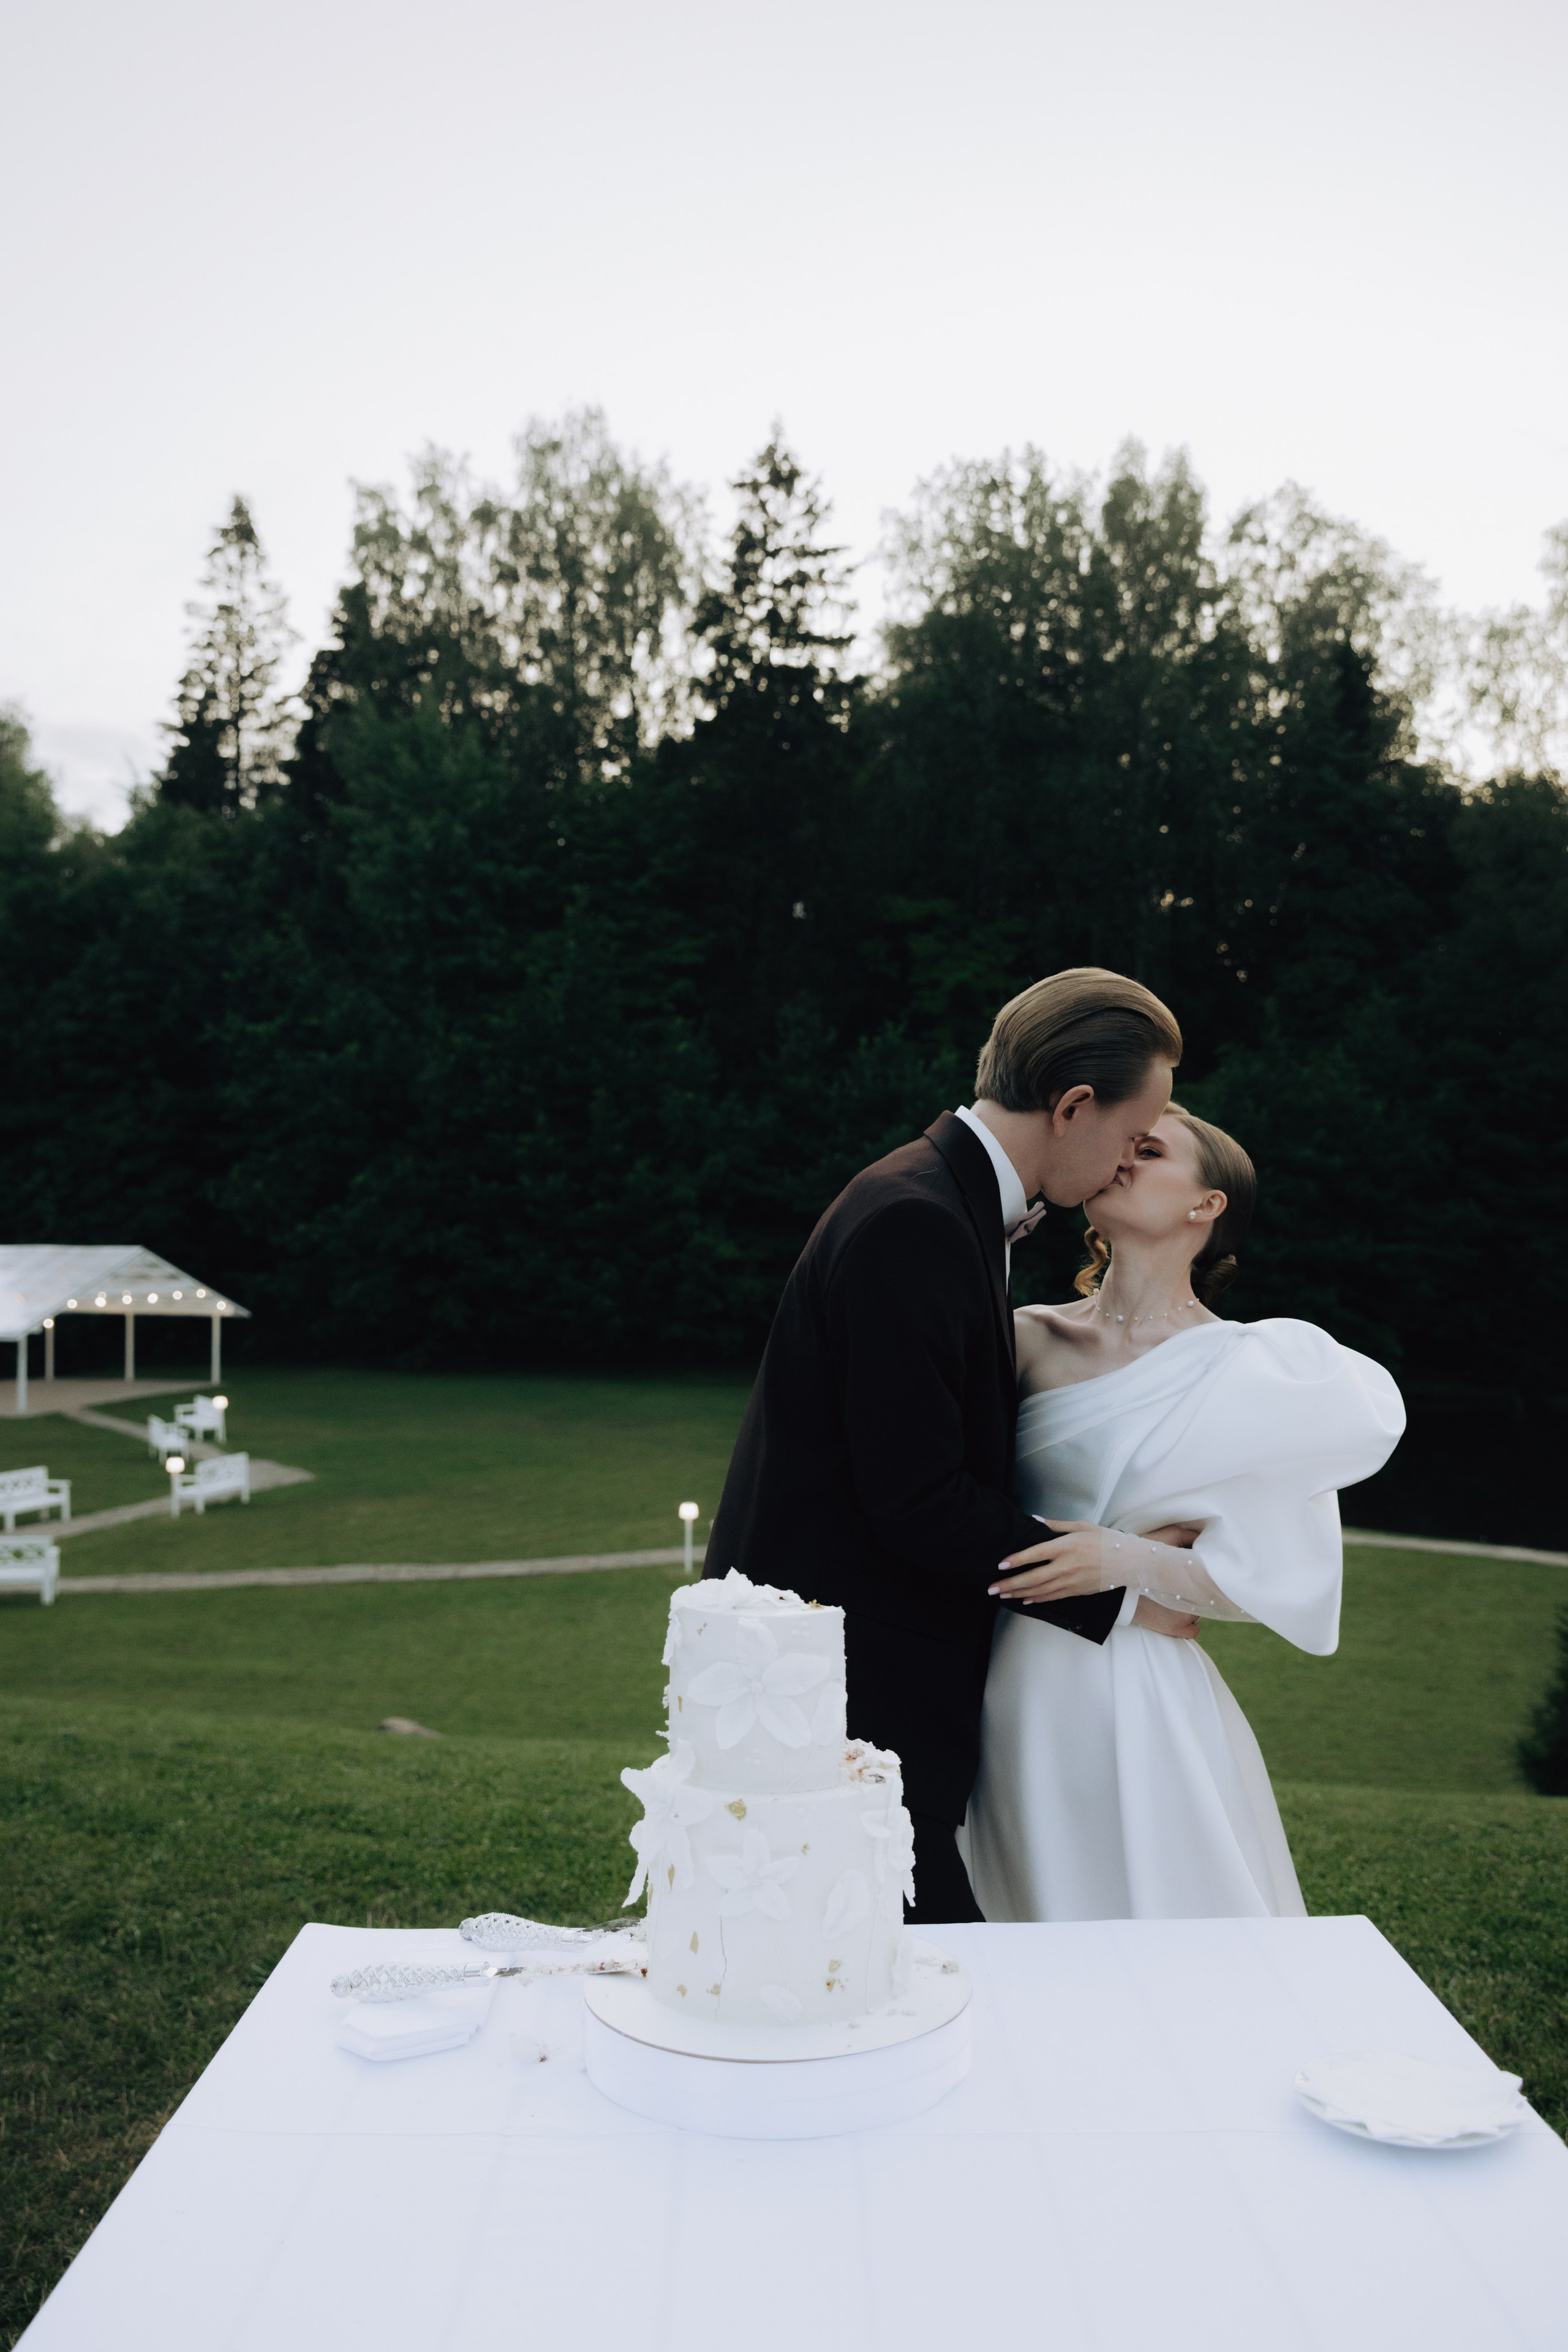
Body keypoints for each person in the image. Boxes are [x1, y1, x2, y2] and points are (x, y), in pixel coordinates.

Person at [704, 967, 1194, 1924]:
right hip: (839, 1686)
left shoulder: (939, 1199)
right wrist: (1126, 1585)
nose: (1127, 1165)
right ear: (1073, 1106)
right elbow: (917, 1498)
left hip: (858, 1664)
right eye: (1134, 1139)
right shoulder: (916, 1221)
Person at [960, 1102, 1404, 1921]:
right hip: (989, 1681)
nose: (1124, 1158)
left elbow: (1273, 1583)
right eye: (1124, 1145)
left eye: (1151, 1150)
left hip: (1129, 1699)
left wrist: (1129, 1568)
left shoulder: (1250, 1374)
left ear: (1208, 1206)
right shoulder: (1024, 1336)